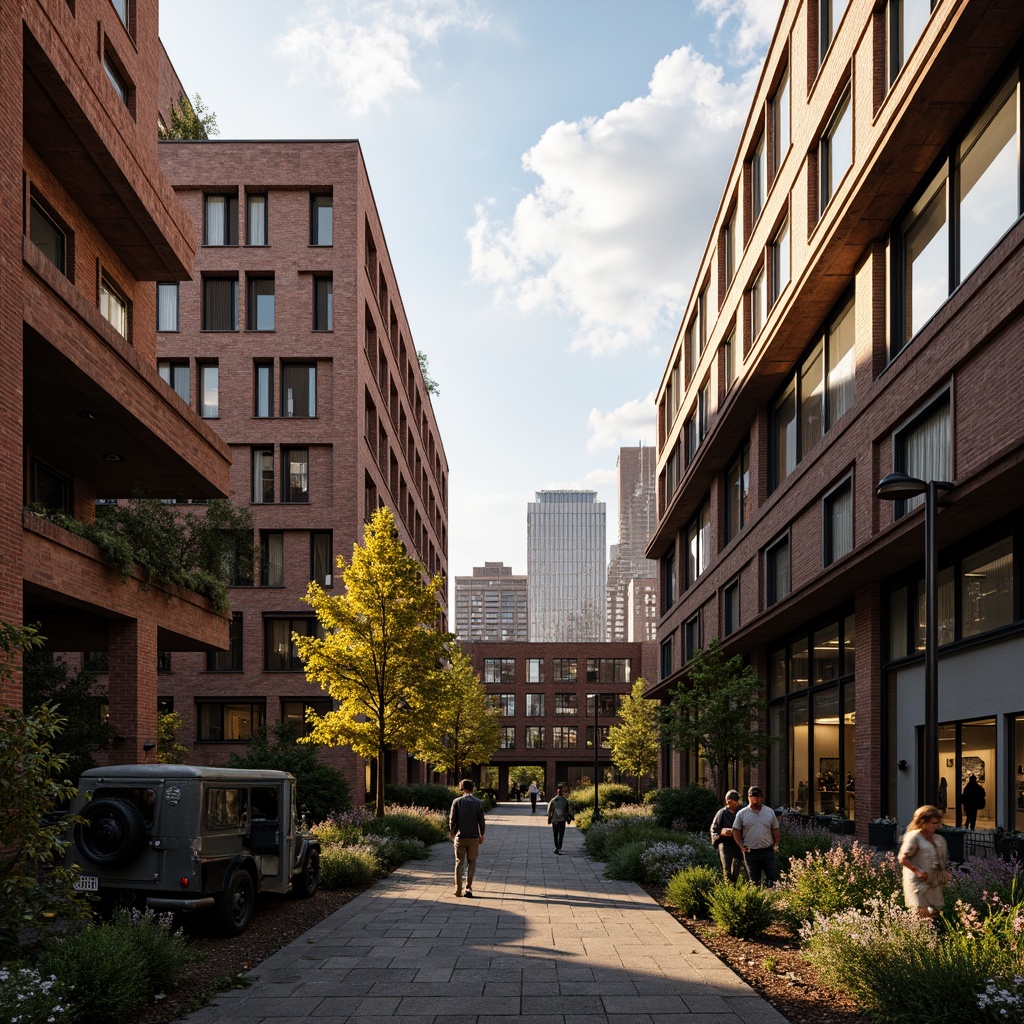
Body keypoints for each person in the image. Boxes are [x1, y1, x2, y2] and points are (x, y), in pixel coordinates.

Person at [898, 804, 949, 919]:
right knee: (920, 916)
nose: (937, 826)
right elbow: (902, 858)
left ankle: (928, 936)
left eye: (938, 822)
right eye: (934, 823)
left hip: (933, 883)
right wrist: (918, 871)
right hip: (918, 884)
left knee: (933, 916)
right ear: (923, 822)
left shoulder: (937, 839)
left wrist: (944, 872)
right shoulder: (914, 837)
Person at [732, 786, 781, 887]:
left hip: (767, 850)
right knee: (755, 881)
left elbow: (775, 829)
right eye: (754, 797)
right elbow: (735, 830)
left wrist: (776, 844)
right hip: (751, 852)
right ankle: (758, 900)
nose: (757, 799)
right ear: (749, 797)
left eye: (759, 797)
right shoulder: (742, 814)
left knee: (773, 879)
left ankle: (772, 898)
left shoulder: (769, 812)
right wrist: (741, 846)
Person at [449, 779, 485, 897]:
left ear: (462, 788)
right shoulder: (478, 802)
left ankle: (458, 889)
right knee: (472, 862)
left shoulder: (457, 802)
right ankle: (468, 888)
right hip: (474, 836)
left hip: (461, 836)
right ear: (472, 788)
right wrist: (482, 834)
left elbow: (452, 819)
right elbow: (481, 821)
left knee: (459, 862)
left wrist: (452, 832)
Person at [710, 790, 744, 883]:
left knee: (738, 868)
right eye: (735, 800)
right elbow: (714, 829)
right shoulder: (721, 813)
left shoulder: (741, 813)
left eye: (738, 800)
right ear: (729, 801)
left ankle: (735, 886)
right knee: (727, 869)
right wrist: (722, 833)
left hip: (738, 844)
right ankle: (728, 889)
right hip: (725, 844)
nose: (738, 802)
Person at [547, 784, 573, 854]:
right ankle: (559, 848)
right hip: (562, 820)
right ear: (562, 793)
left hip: (555, 820)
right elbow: (568, 810)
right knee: (561, 835)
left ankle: (557, 848)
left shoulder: (553, 800)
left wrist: (549, 819)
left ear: (557, 792)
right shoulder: (565, 800)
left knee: (555, 835)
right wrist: (569, 818)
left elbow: (550, 810)